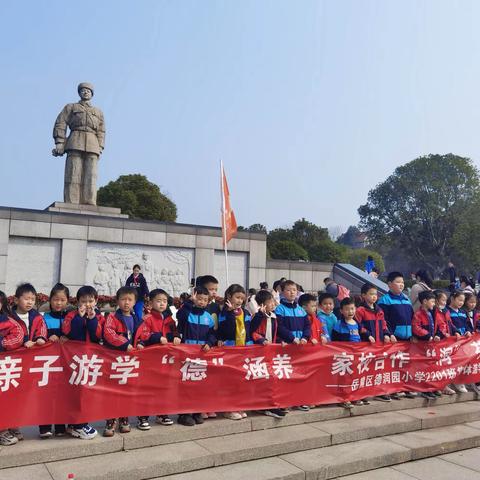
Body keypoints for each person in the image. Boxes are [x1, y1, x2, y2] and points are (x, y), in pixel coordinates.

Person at [52, 82, 105, 205]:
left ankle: (89, 201)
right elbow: (61, 123)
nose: (86, 92)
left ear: (92, 94)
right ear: (79, 93)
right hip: (75, 140)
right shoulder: (71, 107)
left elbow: (102, 130)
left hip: (93, 144)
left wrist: (100, 146)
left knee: (91, 175)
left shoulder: (98, 112)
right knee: (73, 172)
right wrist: (60, 142)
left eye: (88, 91)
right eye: (83, 90)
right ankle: (72, 201)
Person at [62, 286, 104, 439]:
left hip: (91, 359)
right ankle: (77, 425)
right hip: (74, 359)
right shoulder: (72, 315)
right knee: (76, 392)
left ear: (96, 301)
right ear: (77, 301)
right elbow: (68, 332)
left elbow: (98, 334)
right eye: (83, 301)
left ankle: (80, 423)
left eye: (90, 301)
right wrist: (79, 318)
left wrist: (92, 319)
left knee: (87, 392)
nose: (87, 304)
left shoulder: (98, 316)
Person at [103, 286, 145, 436]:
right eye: (123, 299)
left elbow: (144, 334)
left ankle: (124, 418)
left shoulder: (138, 320)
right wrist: (124, 344)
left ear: (134, 302)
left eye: (130, 299)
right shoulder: (112, 317)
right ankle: (111, 420)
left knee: (127, 390)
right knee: (113, 391)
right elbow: (108, 333)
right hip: (115, 360)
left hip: (130, 362)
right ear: (117, 301)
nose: (126, 302)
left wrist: (141, 343)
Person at [176, 286, 217, 426]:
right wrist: (189, 302)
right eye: (199, 299)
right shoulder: (188, 313)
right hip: (187, 355)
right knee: (187, 385)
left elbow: (213, 334)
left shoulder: (208, 318)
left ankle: (197, 411)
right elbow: (180, 317)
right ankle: (184, 414)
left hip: (202, 356)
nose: (202, 302)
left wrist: (210, 343)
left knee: (200, 385)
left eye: (205, 300)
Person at [141, 288, 181, 426]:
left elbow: (175, 332)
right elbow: (143, 335)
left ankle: (162, 413)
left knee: (164, 387)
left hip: (165, 360)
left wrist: (176, 337)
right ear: (150, 303)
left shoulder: (169, 319)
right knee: (148, 388)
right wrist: (157, 337)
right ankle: (143, 416)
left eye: (164, 301)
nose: (162, 304)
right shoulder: (147, 318)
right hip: (151, 360)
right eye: (158, 301)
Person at [39, 283, 71, 439]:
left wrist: (68, 337)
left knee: (62, 395)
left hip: (65, 363)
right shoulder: (43, 318)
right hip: (48, 364)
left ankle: (60, 426)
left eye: (62, 300)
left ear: (67, 301)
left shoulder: (70, 318)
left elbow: (76, 334)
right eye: (56, 299)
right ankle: (44, 427)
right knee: (46, 395)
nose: (59, 303)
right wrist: (46, 337)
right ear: (50, 300)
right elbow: (38, 335)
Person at [377, 272, 416, 400]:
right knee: (391, 365)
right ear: (389, 284)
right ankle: (390, 389)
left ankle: (403, 387)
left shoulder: (406, 299)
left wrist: (413, 334)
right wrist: (389, 334)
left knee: (404, 365)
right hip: (393, 339)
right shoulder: (385, 300)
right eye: (398, 282)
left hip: (407, 339)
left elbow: (412, 318)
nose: (401, 284)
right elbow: (383, 320)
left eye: (402, 282)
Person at [250, 289, 288, 419]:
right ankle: (265, 405)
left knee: (272, 379)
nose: (273, 304)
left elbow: (273, 333)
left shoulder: (274, 316)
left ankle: (272, 403)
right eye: (270, 302)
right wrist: (260, 340)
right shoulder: (257, 316)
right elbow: (253, 331)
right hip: (259, 352)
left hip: (270, 352)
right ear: (262, 304)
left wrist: (280, 341)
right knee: (263, 379)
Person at [275, 280, 310, 411]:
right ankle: (284, 401)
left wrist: (305, 337)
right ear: (283, 292)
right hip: (286, 347)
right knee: (285, 375)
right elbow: (280, 327)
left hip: (300, 348)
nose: (292, 292)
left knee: (299, 375)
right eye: (289, 290)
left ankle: (299, 400)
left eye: (294, 290)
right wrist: (291, 338)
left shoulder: (301, 310)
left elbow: (307, 326)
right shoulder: (280, 309)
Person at [218, 284, 252, 420]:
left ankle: (238, 405)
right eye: (237, 297)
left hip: (243, 350)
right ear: (229, 297)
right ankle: (228, 408)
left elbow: (249, 331)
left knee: (241, 381)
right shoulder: (224, 313)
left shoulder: (246, 313)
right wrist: (231, 314)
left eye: (242, 299)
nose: (239, 301)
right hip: (230, 350)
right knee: (229, 381)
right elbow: (226, 330)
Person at [332, 297, 369, 408]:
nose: (350, 312)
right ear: (341, 311)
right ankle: (344, 398)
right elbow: (335, 341)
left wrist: (369, 337)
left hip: (357, 354)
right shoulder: (338, 325)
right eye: (347, 309)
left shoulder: (357, 323)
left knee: (356, 376)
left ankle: (356, 396)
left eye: (352, 309)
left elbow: (363, 333)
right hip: (344, 356)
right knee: (344, 377)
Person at [0, 290, 24, 446]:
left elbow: (18, 336)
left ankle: (3, 430)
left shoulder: (8, 321)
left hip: (3, 365)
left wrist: (1, 343)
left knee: (4, 398)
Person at [412, 291, 443, 399]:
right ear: (425, 301)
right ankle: (425, 389)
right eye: (433, 301)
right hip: (423, 345)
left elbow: (441, 324)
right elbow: (416, 327)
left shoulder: (434, 312)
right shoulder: (418, 314)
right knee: (424, 368)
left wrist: (439, 334)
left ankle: (432, 387)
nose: (434, 304)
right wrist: (427, 336)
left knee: (432, 367)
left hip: (432, 345)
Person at [447, 290, 471, 394]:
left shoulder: (463, 312)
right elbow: (448, 324)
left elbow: (467, 325)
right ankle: (448, 382)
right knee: (451, 362)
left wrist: (468, 331)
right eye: (459, 300)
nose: (461, 303)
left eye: (463, 301)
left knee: (463, 360)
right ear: (452, 298)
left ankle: (459, 381)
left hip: (463, 341)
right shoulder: (446, 311)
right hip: (452, 341)